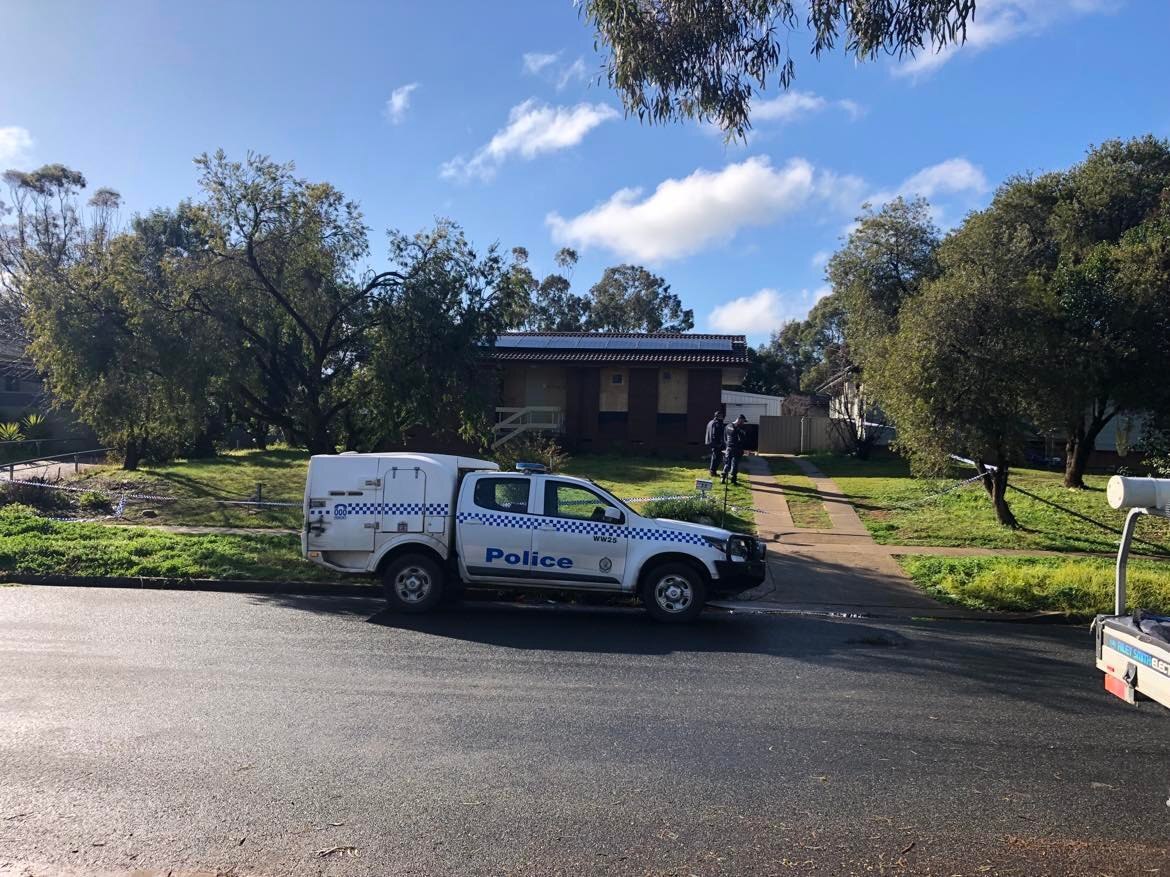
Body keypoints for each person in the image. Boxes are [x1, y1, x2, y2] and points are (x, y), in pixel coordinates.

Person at [721, 414, 748, 485]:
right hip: (736, 449)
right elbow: (742, 439)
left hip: (728, 448)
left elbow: (724, 438)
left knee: (727, 463)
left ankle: (723, 477)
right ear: (739, 420)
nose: (743, 423)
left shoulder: (727, 426)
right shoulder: (738, 429)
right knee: (735, 464)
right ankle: (733, 480)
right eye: (743, 421)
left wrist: (727, 445)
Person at [704, 410, 725, 476]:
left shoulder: (710, 422)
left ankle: (713, 471)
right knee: (716, 457)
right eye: (721, 416)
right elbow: (714, 434)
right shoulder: (717, 423)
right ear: (718, 416)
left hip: (711, 442)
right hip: (716, 443)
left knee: (715, 456)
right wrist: (718, 444)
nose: (722, 418)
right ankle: (712, 471)